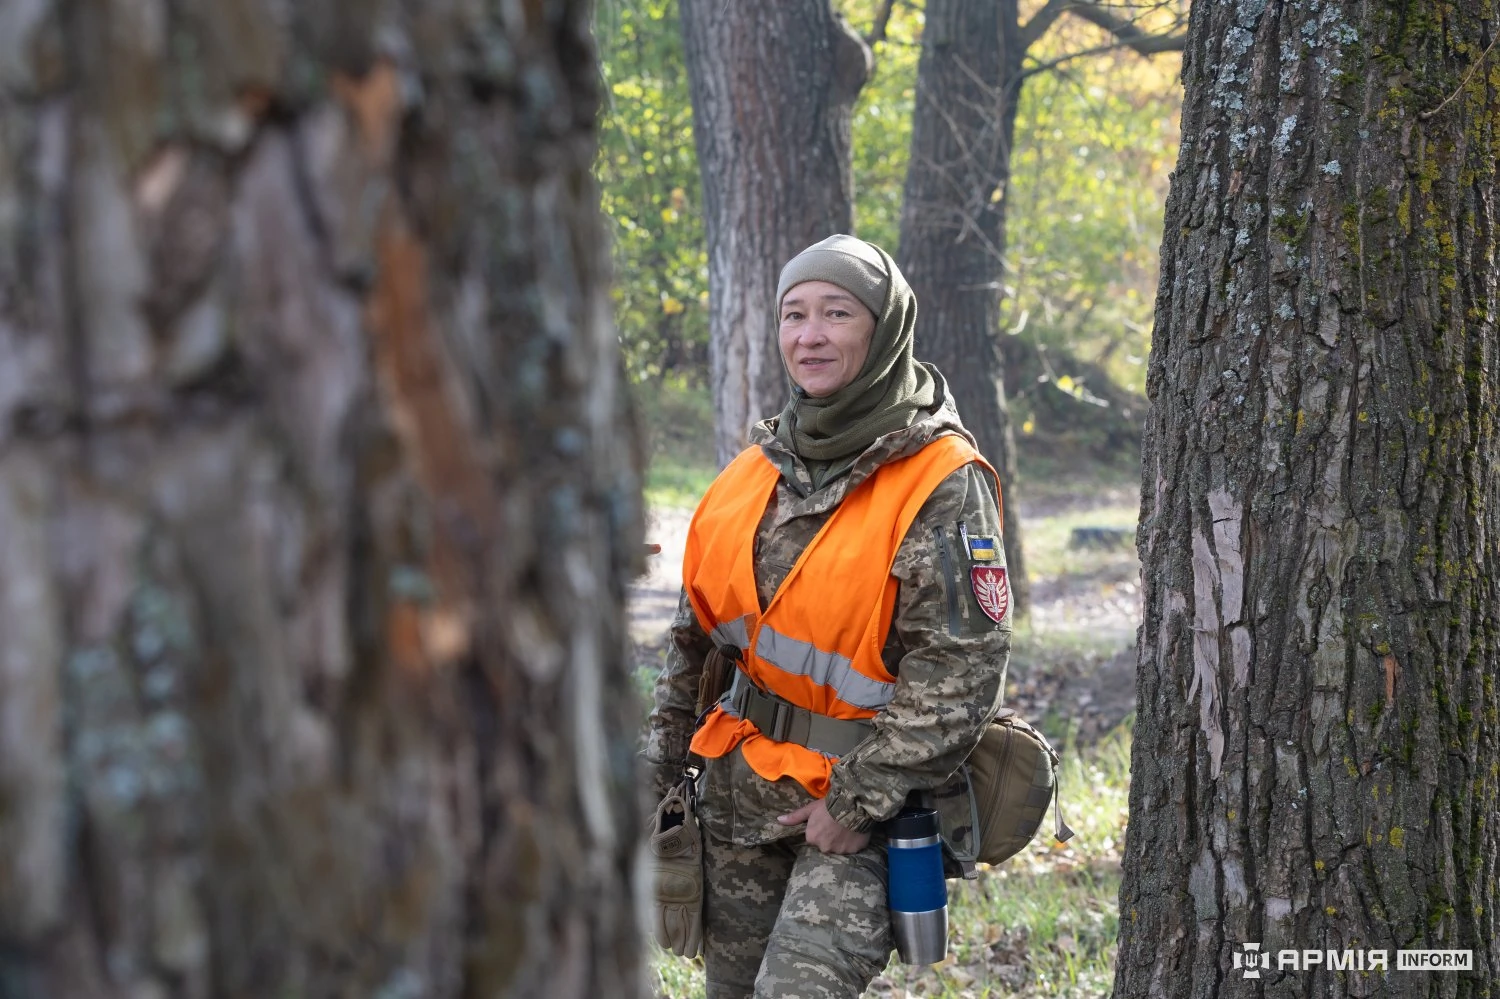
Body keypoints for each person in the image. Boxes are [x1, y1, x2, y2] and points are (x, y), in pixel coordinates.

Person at [643, 234, 1012, 999]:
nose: (809, 335)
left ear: (883, 330)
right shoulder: (751, 475)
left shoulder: (939, 479)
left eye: (836, 313)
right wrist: (651, 781)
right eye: (793, 314)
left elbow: (961, 670)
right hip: (740, 803)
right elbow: (692, 648)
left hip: (862, 816)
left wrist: (855, 802)